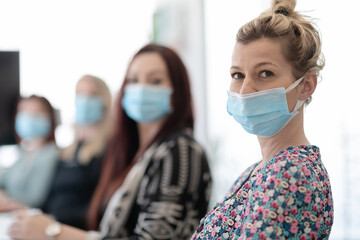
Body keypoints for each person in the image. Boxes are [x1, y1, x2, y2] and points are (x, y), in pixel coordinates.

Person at [8, 43, 212, 240]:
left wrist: (52, 231)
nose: (141, 89)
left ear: (178, 92)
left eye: (155, 81)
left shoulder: (180, 151)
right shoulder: (137, 154)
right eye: (133, 80)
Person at [191, 0, 333, 239]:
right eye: (238, 74)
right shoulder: (256, 170)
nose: (245, 90)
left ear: (306, 86)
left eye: (265, 73)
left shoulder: (289, 173)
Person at [41, 75, 112, 229]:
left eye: (92, 95)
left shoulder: (109, 150)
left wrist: (53, 220)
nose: (84, 100)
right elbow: (50, 196)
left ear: (105, 101)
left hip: (74, 230)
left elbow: (99, 209)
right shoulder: (68, 150)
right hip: (50, 226)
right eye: (80, 94)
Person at [0, 95, 59, 211]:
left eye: (35, 114)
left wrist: (5, 199)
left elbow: (34, 199)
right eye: (23, 113)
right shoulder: (24, 152)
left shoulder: (50, 154)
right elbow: (5, 180)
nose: (28, 118)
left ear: (49, 119)